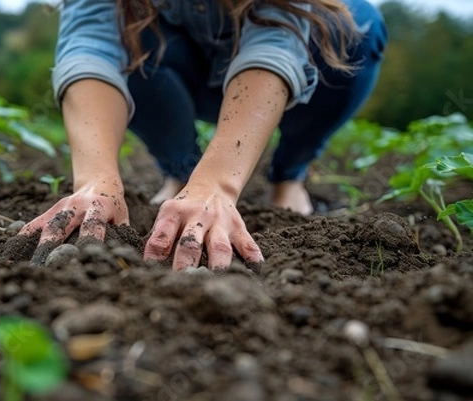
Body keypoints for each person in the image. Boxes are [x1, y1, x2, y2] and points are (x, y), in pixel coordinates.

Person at [20, 0, 387, 270]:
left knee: (355, 25)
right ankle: (182, 171)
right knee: (127, 24)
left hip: (273, 74)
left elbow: (275, 44)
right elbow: (91, 47)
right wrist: (96, 180)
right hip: (175, 66)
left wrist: (219, 185)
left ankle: (289, 176)